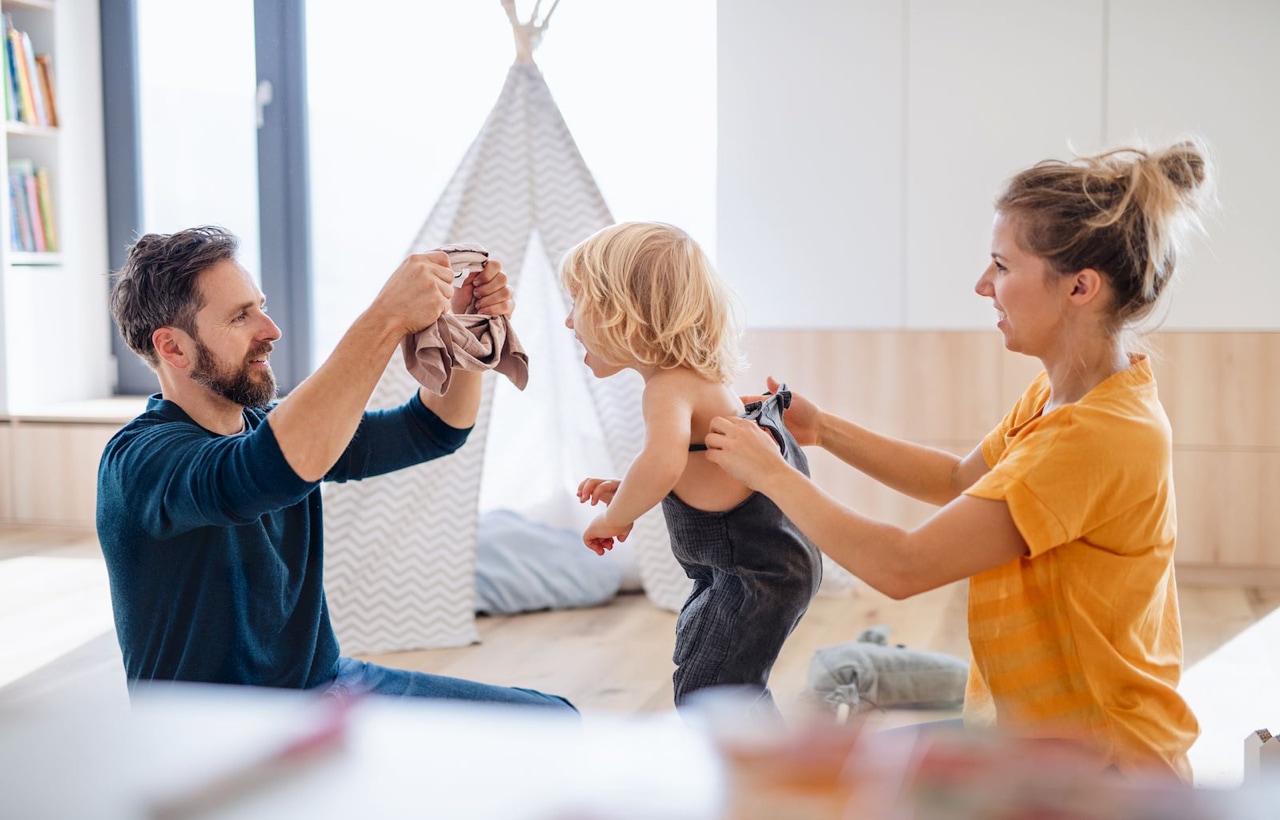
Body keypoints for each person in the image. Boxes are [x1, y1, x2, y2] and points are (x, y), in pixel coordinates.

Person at [704, 138, 1214, 780]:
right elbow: (957, 480)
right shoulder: (1067, 396)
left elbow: (902, 566)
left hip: (1100, 770)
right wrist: (824, 430)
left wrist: (769, 474)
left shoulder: (1097, 435)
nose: (982, 285)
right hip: (1026, 731)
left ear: (1081, 286)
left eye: (1002, 266)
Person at [98, 225, 574, 712]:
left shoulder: (267, 426)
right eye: (241, 317)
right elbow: (266, 470)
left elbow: (433, 429)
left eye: (260, 306)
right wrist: (386, 317)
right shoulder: (139, 461)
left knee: (552, 719)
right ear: (173, 348)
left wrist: (467, 325)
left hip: (328, 688)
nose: (271, 330)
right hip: (222, 731)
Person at [561, 221, 822, 716]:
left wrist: (616, 516)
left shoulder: (667, 388)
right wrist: (625, 488)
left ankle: (757, 780)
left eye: (577, 304)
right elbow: (689, 467)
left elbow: (660, 463)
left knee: (713, 690)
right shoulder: (697, 379)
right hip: (766, 558)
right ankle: (756, 775)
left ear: (625, 314)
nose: (569, 323)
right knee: (720, 674)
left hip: (750, 568)